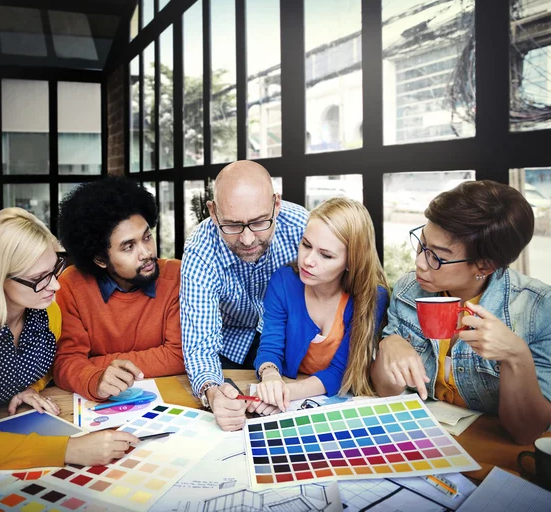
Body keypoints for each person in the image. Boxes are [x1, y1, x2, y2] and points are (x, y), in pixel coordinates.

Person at [0, 208, 139, 469]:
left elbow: (43, 366)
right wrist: (69, 449)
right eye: (38, 278)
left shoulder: (47, 311)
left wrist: (31, 388)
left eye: (54, 270)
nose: (55, 286)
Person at [371, 180, 551, 445]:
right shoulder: (409, 290)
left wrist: (515, 355)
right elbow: (384, 390)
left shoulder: (537, 309)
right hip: (422, 436)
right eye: (422, 244)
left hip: (491, 446)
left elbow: (527, 433)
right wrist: (388, 345)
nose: (420, 263)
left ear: (485, 266)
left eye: (437, 258)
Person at [181, 160, 309, 430]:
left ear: (276, 204)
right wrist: (212, 391)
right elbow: (200, 345)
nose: (248, 240)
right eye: (233, 225)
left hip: (288, 341)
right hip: (229, 347)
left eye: (260, 222)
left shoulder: (302, 227)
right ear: (213, 213)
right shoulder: (199, 250)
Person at [53, 177, 184, 401]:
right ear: (100, 259)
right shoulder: (70, 286)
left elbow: (178, 356)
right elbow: (65, 361)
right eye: (129, 246)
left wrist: (93, 365)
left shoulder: (177, 275)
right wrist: (95, 379)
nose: (146, 253)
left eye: (147, 237)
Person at [253, 198, 389, 412]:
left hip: (335, 402)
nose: (308, 260)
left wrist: (284, 394)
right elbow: (270, 347)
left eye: (326, 255)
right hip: (294, 389)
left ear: (351, 262)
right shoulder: (283, 281)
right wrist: (270, 376)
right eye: (306, 245)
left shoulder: (373, 298)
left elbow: (340, 372)